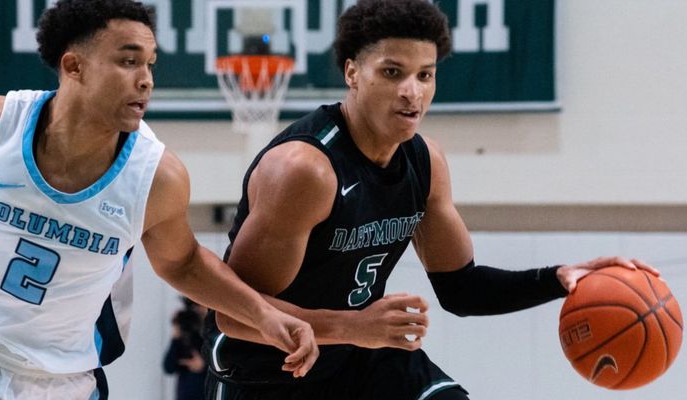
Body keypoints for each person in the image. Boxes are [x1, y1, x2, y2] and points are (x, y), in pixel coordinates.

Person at [0, 1, 318, 398]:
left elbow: (182, 261)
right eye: (128, 60)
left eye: (151, 63)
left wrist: (264, 314)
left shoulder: (155, 175)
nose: (146, 79)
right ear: (74, 66)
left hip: (65, 375)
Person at [201, 1, 659, 399]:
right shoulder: (305, 170)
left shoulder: (425, 163)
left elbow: (462, 290)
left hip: (358, 356)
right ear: (353, 72)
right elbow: (234, 316)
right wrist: (353, 327)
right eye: (393, 72)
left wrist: (559, 278)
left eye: (425, 75)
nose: (412, 92)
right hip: (263, 371)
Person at [162, 297, 208, 400]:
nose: (197, 310)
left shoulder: (213, 335)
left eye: (199, 306)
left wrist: (203, 367)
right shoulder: (184, 337)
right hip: (185, 394)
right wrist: (176, 334)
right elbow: (168, 368)